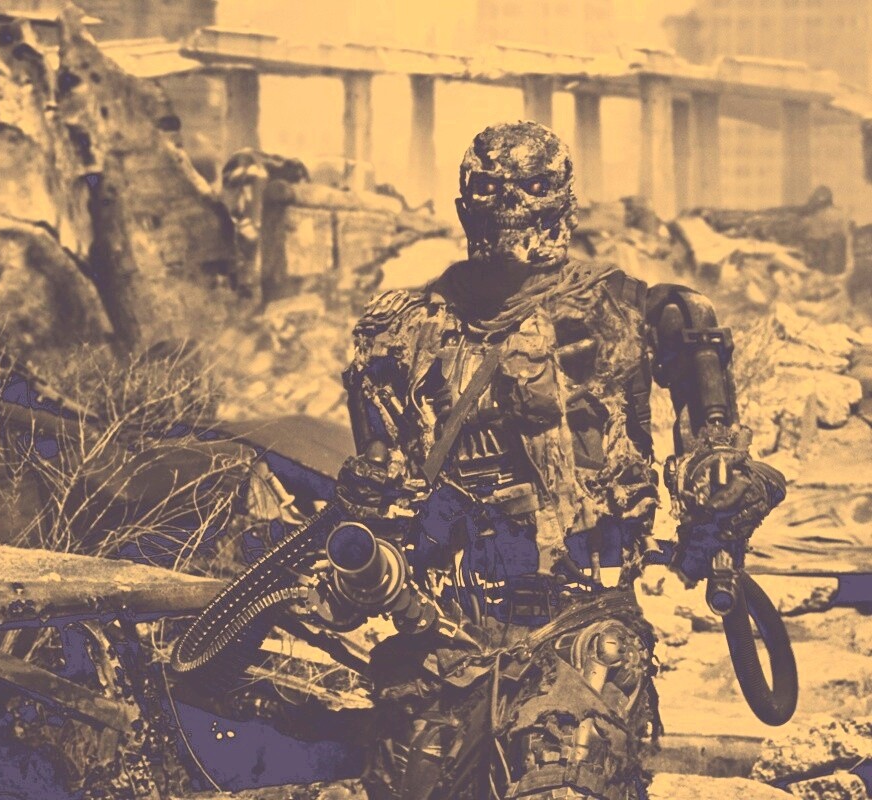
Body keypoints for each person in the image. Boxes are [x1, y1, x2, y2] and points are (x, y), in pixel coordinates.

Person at [337, 121, 786, 800]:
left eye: (531, 188)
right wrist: (371, 520)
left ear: (562, 201)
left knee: (567, 778)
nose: (511, 206)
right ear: (466, 203)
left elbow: (714, 451)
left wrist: (720, 490)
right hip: (444, 629)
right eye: (494, 190)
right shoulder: (401, 330)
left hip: (581, 619)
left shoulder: (632, 311)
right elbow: (380, 477)